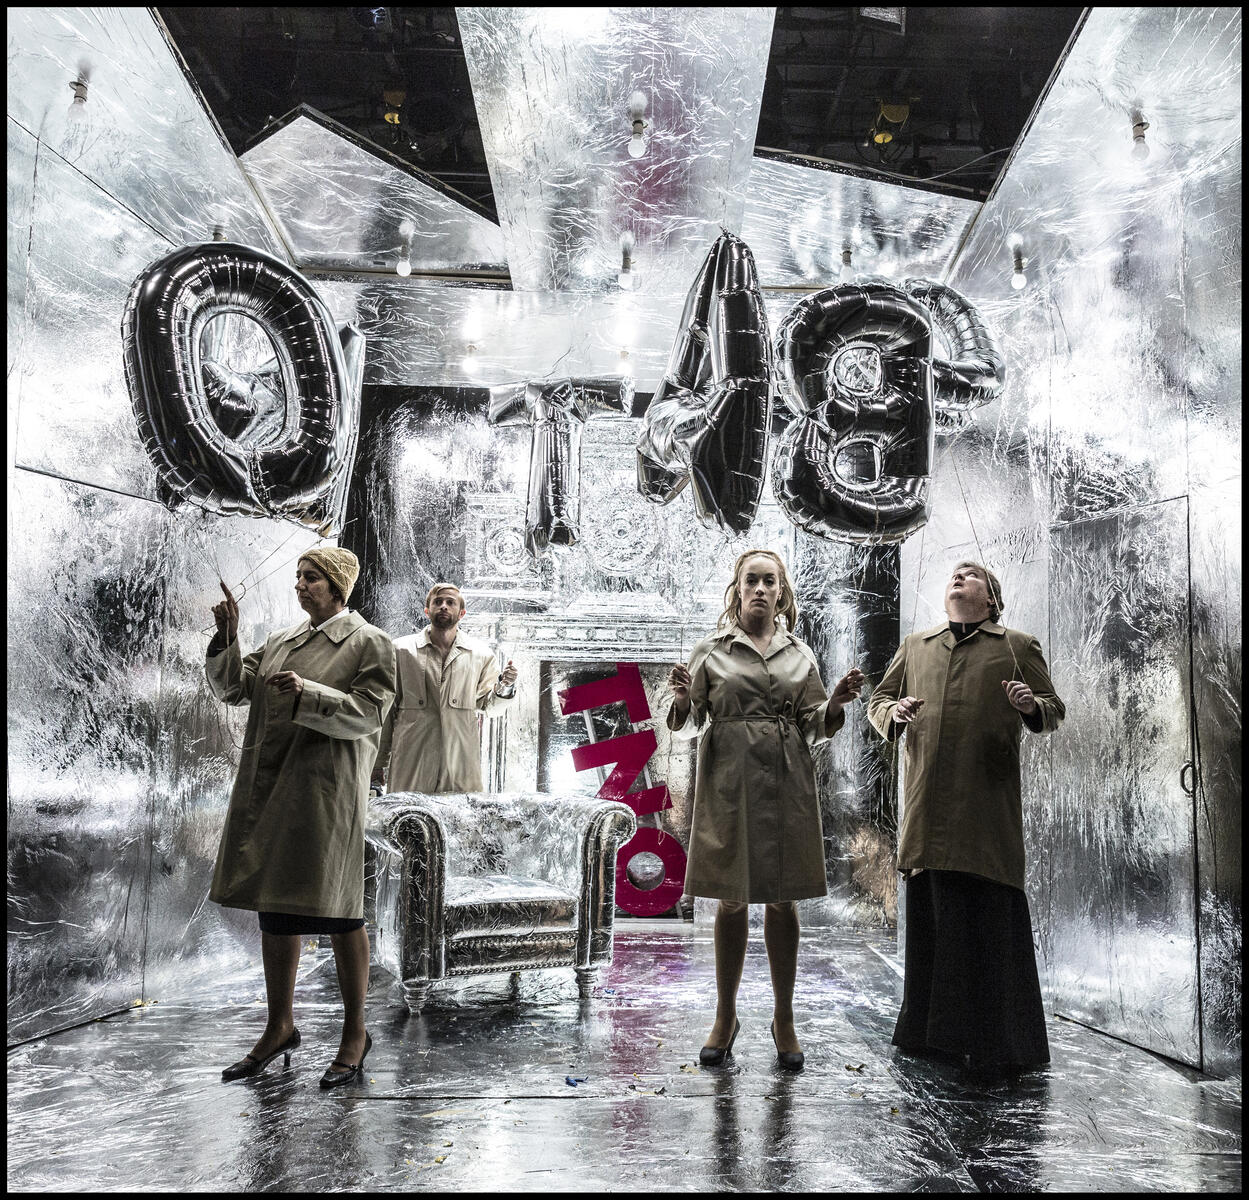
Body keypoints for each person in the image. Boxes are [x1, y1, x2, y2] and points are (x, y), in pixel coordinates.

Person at [667, 550, 864, 1072]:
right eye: (750, 579)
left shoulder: (800, 654)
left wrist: (834, 705)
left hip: (785, 780)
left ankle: (784, 1018)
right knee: (730, 898)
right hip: (728, 780)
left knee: (782, 898)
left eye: (768, 581)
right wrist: (684, 700)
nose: (759, 588)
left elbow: (814, 726)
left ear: (781, 592)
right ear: (737, 588)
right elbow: (689, 725)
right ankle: (724, 1016)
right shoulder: (711, 650)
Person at [207, 547, 396, 1089]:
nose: (300, 585)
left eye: (311, 578)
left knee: (339, 912)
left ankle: (355, 1034)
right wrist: (227, 637)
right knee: (276, 908)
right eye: (298, 577)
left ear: (338, 587)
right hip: (270, 788)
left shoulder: (369, 642)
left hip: (324, 791)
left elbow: (369, 714)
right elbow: (234, 688)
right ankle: (280, 1027)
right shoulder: (282, 641)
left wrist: (307, 693)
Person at [868, 560, 1065, 1074]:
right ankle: (931, 1038)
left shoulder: (1016, 646)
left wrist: (1031, 705)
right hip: (928, 805)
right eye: (954, 573)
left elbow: (1054, 707)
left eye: (971, 574)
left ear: (991, 598)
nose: (958, 577)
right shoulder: (916, 646)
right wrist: (893, 713)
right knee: (934, 913)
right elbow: (879, 700)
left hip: (985, 809)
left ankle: (997, 1043)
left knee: (986, 915)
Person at [373, 582, 518, 794]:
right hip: (412, 763)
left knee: (459, 815)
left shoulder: (480, 655)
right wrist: (378, 763)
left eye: (450, 602)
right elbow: (386, 711)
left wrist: (505, 687)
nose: (443, 606)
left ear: (462, 613)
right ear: (427, 610)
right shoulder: (401, 651)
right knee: (408, 813)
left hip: (460, 765)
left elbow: (490, 708)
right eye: (438, 602)